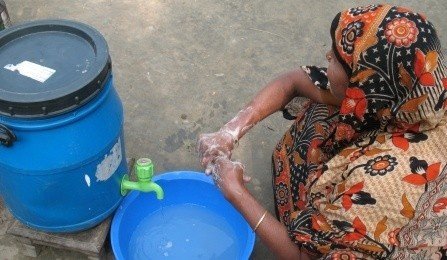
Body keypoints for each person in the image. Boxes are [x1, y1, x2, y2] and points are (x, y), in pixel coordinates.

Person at [198, 4, 447, 259]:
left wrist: (236, 192)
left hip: (382, 221)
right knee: (323, 110)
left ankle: (305, 220)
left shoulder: (376, 189)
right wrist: (230, 131)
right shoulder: (412, 92)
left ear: (362, 82)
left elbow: (304, 257)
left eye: (337, 59)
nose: (328, 55)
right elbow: (294, 82)